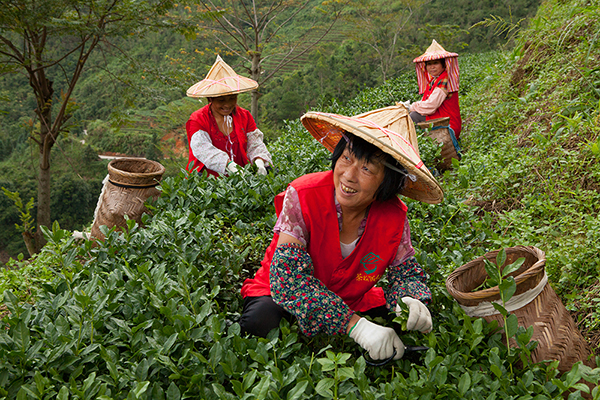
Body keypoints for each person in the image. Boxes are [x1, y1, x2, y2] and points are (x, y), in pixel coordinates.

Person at [240, 109, 444, 362]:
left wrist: (411, 299)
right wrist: (356, 326)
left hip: (349, 295)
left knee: (408, 319)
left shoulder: (394, 216)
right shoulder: (302, 195)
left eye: (367, 169)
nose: (349, 176)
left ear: (387, 182)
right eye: (347, 159)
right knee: (260, 322)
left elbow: (405, 271)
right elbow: (288, 279)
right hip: (278, 291)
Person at [185, 55, 273, 177]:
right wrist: (229, 165)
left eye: (232, 98)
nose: (227, 104)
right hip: (208, 178)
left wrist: (259, 162)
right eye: (221, 100)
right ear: (211, 98)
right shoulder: (198, 119)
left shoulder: (245, 116)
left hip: (241, 176)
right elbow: (203, 150)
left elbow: (255, 144)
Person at [405, 40, 462, 140]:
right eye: (429, 64)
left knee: (413, 116)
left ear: (443, 64)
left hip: (449, 123)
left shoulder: (445, 80)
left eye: (435, 63)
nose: (432, 67)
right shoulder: (434, 80)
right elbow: (426, 102)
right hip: (441, 118)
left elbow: (431, 106)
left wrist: (411, 107)